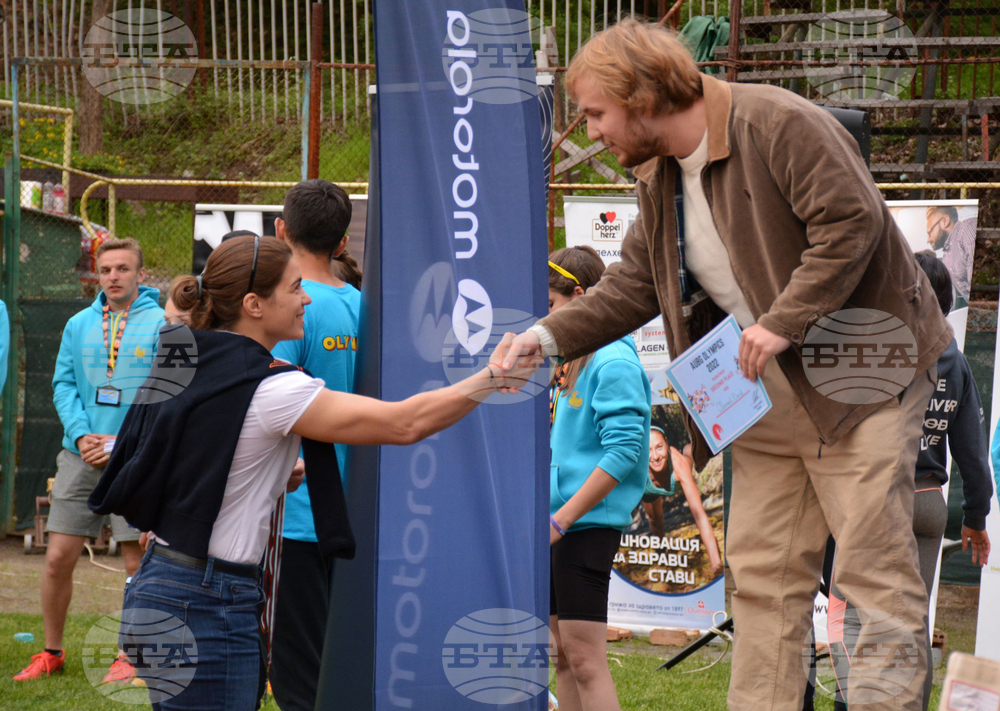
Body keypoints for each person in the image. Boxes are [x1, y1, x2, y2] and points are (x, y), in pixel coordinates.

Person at [499, 20, 951, 711]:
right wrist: (546, 336)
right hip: (762, 392)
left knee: (872, 573)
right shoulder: (659, 176)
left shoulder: (779, 122)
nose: (589, 133)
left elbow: (852, 222)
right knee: (762, 579)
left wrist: (780, 320)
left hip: (865, 379)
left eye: (594, 114)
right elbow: (634, 286)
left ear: (643, 98)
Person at [88, 235, 541, 711]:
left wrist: (265, 470)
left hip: (161, 584)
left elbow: (184, 453)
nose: (306, 298)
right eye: (295, 287)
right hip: (207, 599)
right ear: (253, 304)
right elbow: (405, 423)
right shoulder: (274, 388)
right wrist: (493, 377)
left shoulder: (194, 356)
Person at [15, 238, 164, 683]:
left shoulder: (164, 325)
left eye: (122, 268)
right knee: (58, 557)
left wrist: (120, 442)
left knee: (136, 561)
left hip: (135, 457)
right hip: (81, 455)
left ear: (141, 275)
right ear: (96, 275)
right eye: (105, 270)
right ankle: (51, 652)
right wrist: (82, 436)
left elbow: (166, 396)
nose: (113, 277)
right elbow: (63, 385)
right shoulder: (78, 324)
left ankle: (130, 655)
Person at [269, 179, 361, 711]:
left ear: (281, 232)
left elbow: (269, 410)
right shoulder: (368, 308)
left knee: (298, 672)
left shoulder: (291, 311)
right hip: (355, 511)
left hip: (298, 513)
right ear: (343, 241)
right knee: (338, 660)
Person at [547, 246, 651, 711]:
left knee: (586, 660)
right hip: (558, 526)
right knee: (563, 657)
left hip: (582, 526)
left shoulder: (613, 362)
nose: (545, 318)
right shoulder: (575, 357)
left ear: (582, 296)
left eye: (551, 306)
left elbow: (627, 451)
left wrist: (564, 518)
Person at [645, 428, 723, 575]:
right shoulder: (636, 467)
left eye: (659, 447)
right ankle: (661, 554)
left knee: (687, 459)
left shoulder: (676, 463)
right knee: (655, 521)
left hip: (674, 472)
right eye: (648, 450)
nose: (655, 456)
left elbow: (699, 514)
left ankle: (689, 449)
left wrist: (715, 562)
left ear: (667, 444)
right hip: (648, 488)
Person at [926, 206, 976, 304]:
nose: (928, 240)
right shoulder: (946, 256)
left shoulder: (966, 229)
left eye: (929, 232)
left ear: (945, 221)